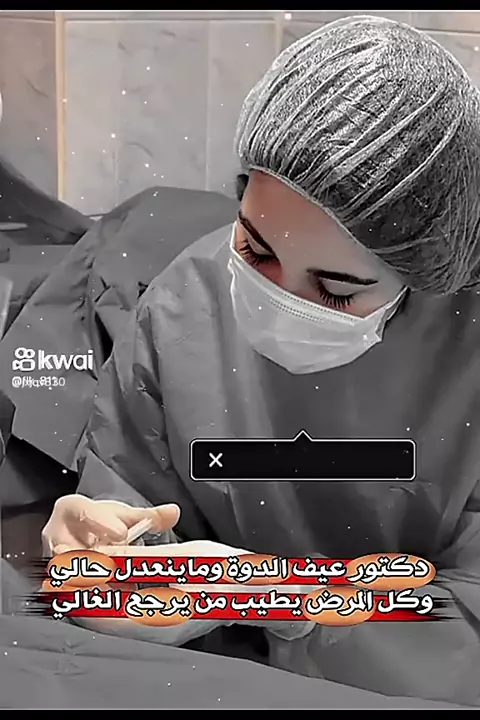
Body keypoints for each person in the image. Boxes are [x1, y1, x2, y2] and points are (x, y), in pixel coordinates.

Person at [42, 16, 480, 706]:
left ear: (428, 267)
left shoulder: (466, 351)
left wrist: (269, 592)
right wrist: (104, 553)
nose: (278, 299)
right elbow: (134, 505)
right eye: (255, 248)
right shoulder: (185, 304)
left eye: (336, 290)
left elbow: (468, 634)